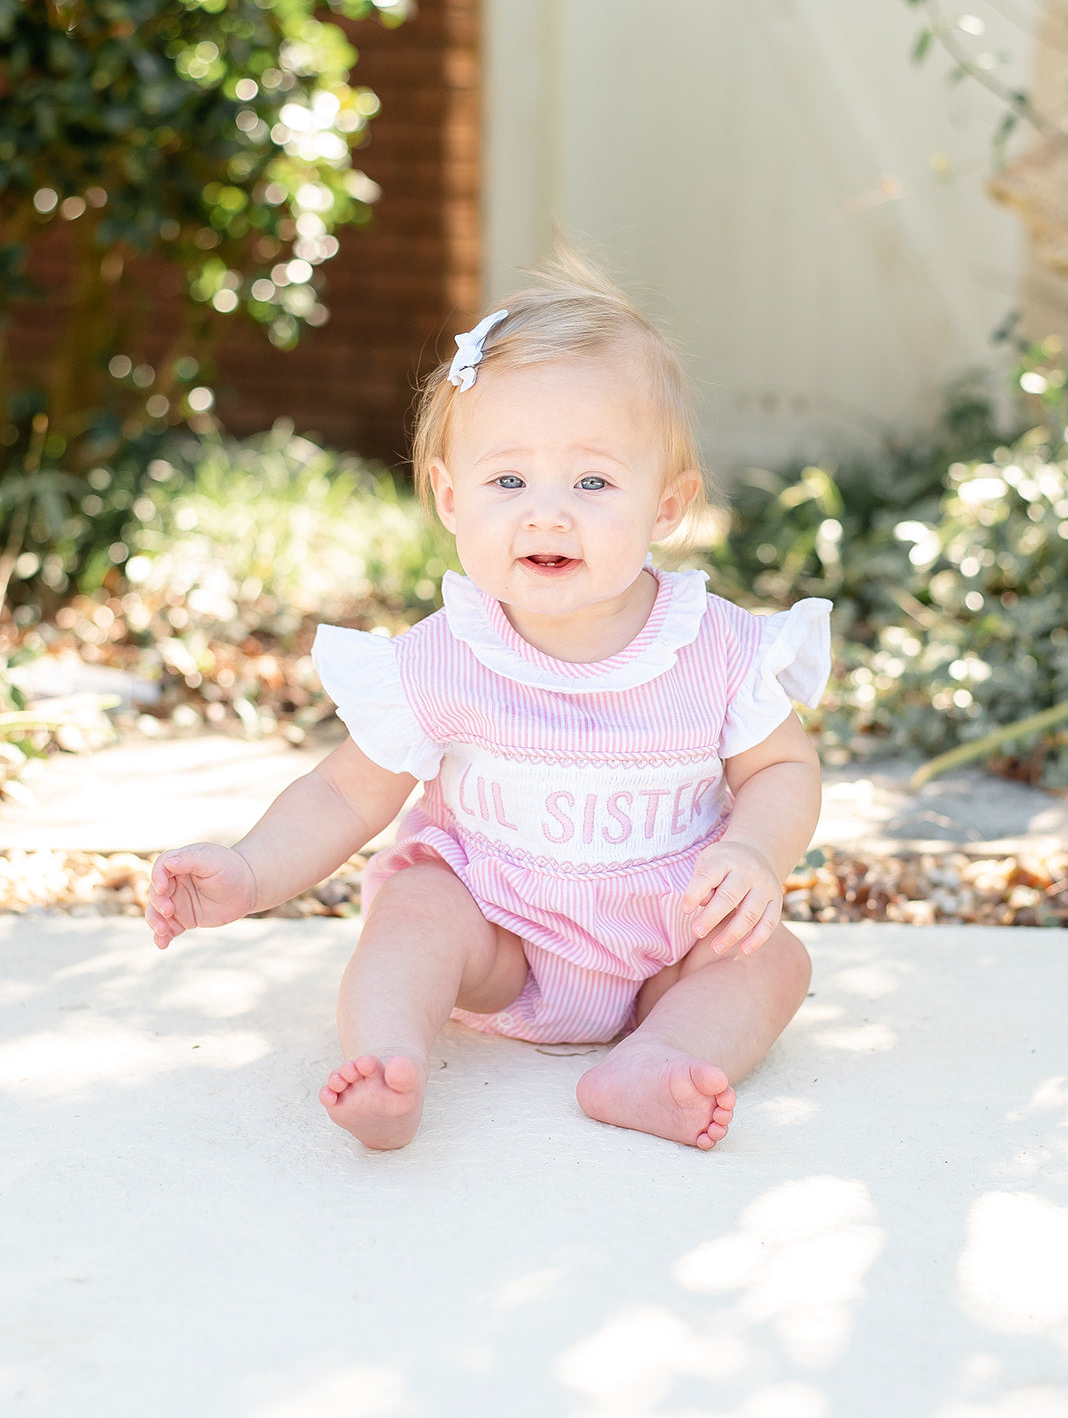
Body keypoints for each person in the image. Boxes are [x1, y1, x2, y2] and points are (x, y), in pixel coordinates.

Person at [147, 246, 831, 1153]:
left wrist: (753, 851)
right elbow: (346, 793)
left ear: (668, 506)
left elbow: (783, 766)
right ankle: (389, 1058)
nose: (546, 513)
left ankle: (657, 1057)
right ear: (449, 497)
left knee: (773, 962)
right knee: (416, 911)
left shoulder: (717, 647)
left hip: (670, 938)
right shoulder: (444, 659)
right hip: (499, 942)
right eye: (508, 481)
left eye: (592, 482)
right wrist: (250, 871)